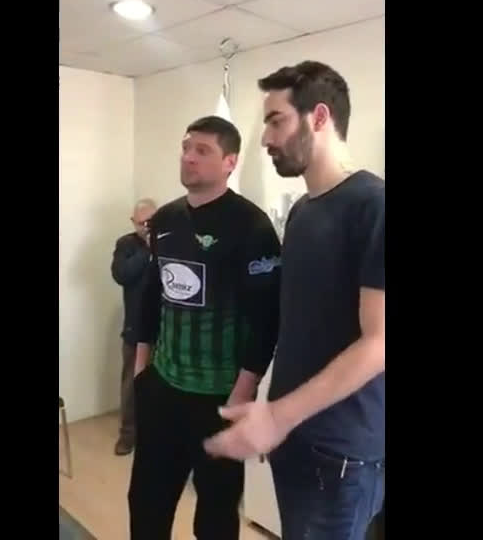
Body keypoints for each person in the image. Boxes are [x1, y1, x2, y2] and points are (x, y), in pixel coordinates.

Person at [205, 61, 386, 540]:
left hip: (341, 454)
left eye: (276, 120)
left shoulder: (374, 205)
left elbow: (379, 342)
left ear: (319, 117)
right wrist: (269, 408)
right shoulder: (303, 211)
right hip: (294, 437)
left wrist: (277, 417)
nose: (265, 138)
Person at [128, 116, 282, 540]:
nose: (188, 157)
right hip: (162, 388)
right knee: (146, 504)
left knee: (215, 517)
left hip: (219, 398)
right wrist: (142, 369)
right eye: (186, 147)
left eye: (202, 150)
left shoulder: (252, 227)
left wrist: (241, 394)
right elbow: (151, 297)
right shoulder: (164, 219)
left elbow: (266, 319)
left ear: (230, 162)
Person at [109, 198, 157, 456]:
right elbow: (122, 274)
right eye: (142, 223)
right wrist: (147, 250)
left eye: (151, 222)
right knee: (131, 385)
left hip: (164, 330)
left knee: (161, 389)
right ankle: (127, 436)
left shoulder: (169, 242)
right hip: (136, 329)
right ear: (133, 222)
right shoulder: (126, 244)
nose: (146, 227)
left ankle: (156, 437)